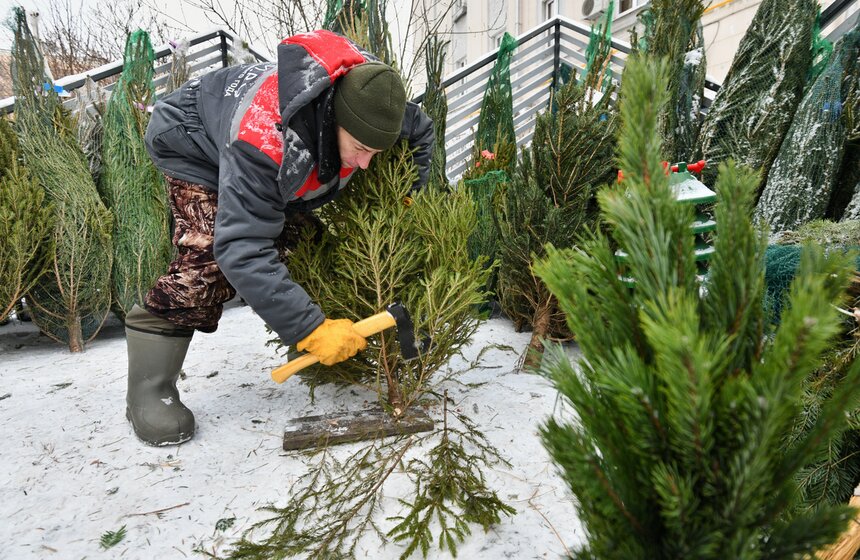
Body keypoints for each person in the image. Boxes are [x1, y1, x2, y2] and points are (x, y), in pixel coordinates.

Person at [125, 30, 434, 446]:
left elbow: (423, 130)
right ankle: (150, 389)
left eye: (374, 154)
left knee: (306, 242)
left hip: (270, 140)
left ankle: (310, 353)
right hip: (190, 138)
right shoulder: (261, 142)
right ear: (333, 119)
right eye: (360, 148)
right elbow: (241, 249)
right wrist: (310, 328)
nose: (364, 165)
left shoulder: (373, 101)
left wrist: (408, 195)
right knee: (208, 260)